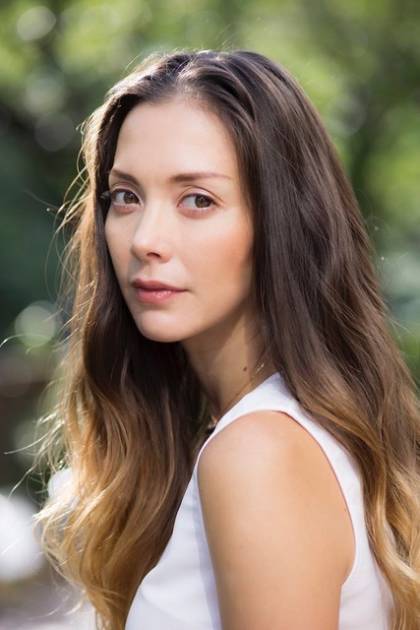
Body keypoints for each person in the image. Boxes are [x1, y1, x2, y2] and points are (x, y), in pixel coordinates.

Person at [33, 48, 420, 630]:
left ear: (281, 223)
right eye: (126, 196)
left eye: (198, 200)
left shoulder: (258, 452)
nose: (145, 239)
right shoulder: (284, 433)